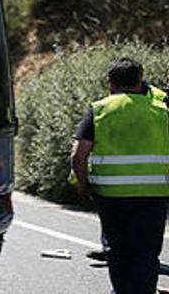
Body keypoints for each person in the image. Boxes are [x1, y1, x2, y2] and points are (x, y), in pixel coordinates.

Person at [71, 57, 169, 294]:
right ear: (140, 80)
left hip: (111, 196)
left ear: (110, 83)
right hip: (154, 195)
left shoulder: (100, 109)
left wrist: (83, 185)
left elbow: (78, 155)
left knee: (118, 250)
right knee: (145, 253)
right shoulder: (162, 110)